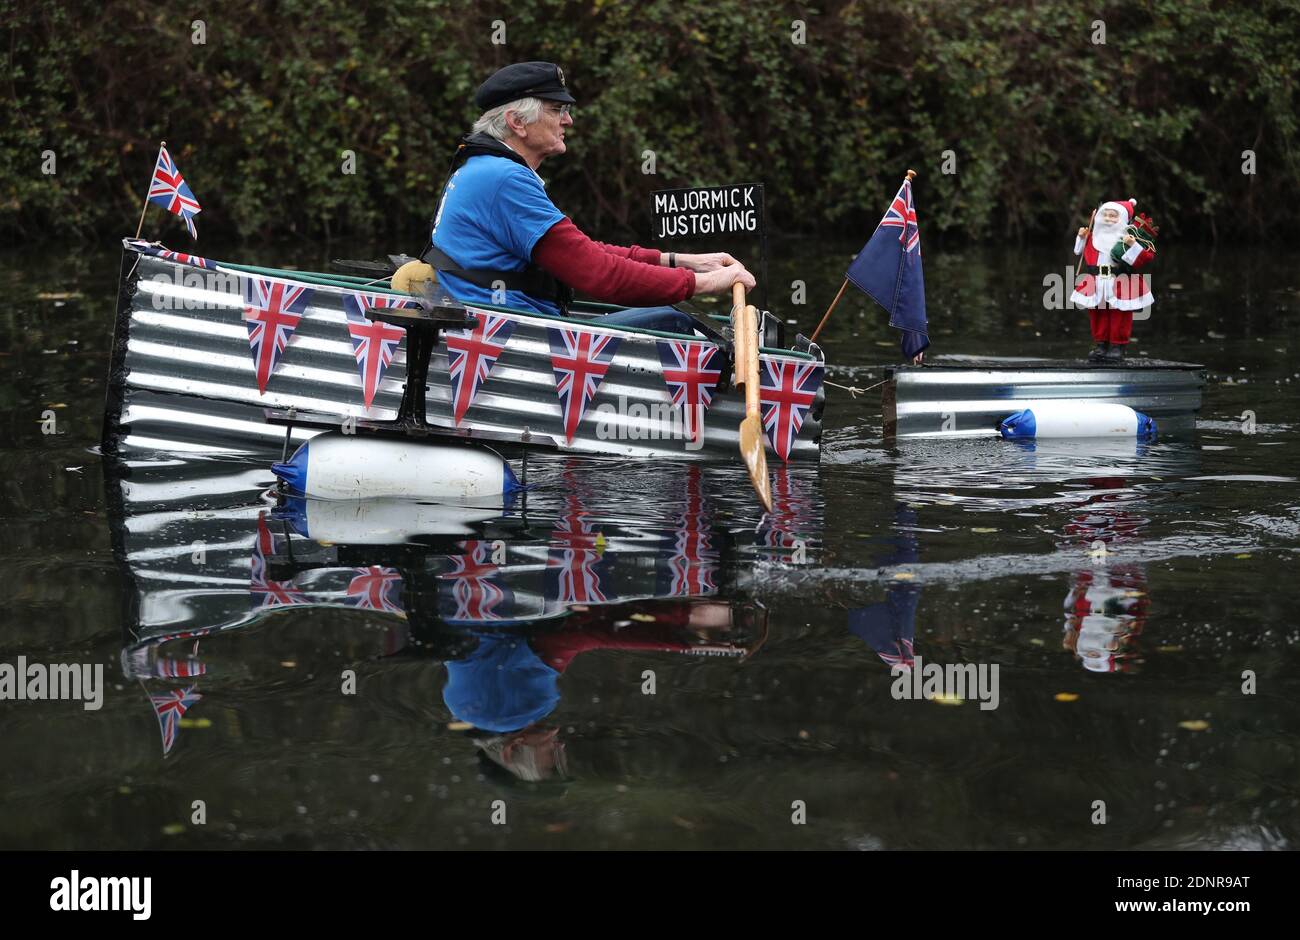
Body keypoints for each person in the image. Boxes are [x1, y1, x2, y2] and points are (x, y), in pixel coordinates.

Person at [418, 61, 755, 334]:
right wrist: (707, 283)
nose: (569, 120)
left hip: (504, 325)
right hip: (517, 334)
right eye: (556, 109)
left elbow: (583, 253)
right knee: (673, 321)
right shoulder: (504, 179)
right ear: (517, 122)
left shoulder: (486, 168)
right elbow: (599, 274)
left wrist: (680, 261)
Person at [1069, 198, 1156, 363]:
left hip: (1119, 281)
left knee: (1119, 315)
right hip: (1097, 280)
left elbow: (1143, 259)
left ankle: (1117, 346)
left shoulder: (1128, 238)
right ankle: (1101, 345)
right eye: (1105, 215)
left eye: (1113, 216)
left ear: (1122, 219)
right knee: (1097, 313)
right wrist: (1081, 237)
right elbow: (1078, 251)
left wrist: (1133, 245)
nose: (1108, 219)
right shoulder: (1093, 237)